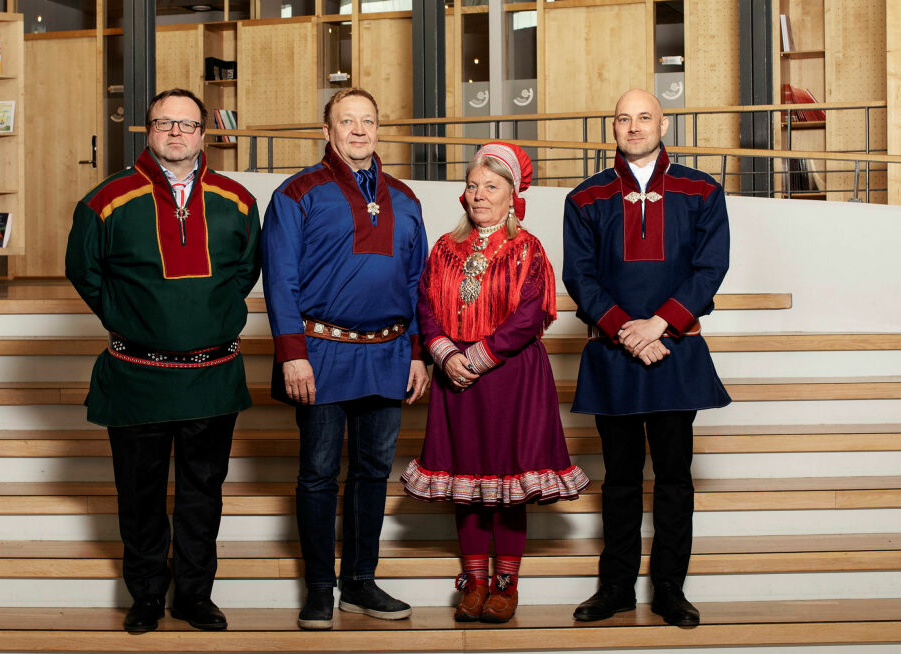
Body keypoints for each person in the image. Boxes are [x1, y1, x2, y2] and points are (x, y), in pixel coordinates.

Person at [66, 88, 261, 633]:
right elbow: (85, 273)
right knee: (140, 494)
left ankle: (195, 596)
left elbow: (245, 272)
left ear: (204, 134)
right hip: (137, 378)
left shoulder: (238, 199)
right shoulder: (105, 200)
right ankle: (148, 594)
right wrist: (129, 315)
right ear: (147, 130)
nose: (177, 133)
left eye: (188, 124)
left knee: (203, 494)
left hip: (212, 377)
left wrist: (210, 314)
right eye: (165, 123)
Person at [261, 88, 429, 631]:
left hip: (388, 353)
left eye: (368, 122)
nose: (359, 131)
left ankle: (359, 582)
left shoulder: (405, 198)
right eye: (347, 121)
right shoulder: (297, 192)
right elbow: (279, 280)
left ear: (379, 129)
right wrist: (292, 355)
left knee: (374, 472)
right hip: (321, 352)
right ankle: (318, 587)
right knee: (317, 474)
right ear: (327, 129)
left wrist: (419, 352)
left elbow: (416, 282)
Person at [401, 142, 590, 623]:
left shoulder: (528, 249)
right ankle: (474, 581)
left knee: (508, 486)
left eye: (492, 186)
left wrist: (479, 356)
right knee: (467, 482)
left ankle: (506, 584)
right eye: (473, 185)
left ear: (512, 194)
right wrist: (443, 353)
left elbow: (532, 314)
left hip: (511, 378)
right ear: (463, 195)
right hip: (454, 377)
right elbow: (424, 304)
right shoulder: (444, 247)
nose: (480, 194)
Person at [563, 89, 731, 627]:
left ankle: (669, 590)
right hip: (614, 355)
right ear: (611, 127)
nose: (633, 126)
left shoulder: (701, 189)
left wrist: (659, 324)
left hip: (674, 349)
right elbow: (578, 275)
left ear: (664, 123)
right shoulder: (584, 197)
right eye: (623, 118)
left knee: (676, 478)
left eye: (644, 117)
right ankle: (614, 587)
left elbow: (710, 267)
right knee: (619, 478)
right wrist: (623, 330)